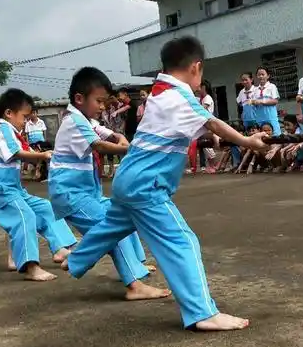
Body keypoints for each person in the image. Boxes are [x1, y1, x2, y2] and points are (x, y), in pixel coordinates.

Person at [63, 36, 268, 331]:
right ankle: (202, 312)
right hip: (147, 186)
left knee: (114, 226)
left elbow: (189, 128)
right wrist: (247, 140)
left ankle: (76, 260)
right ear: (196, 67)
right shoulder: (180, 97)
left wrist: (218, 135)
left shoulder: (159, 94)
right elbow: (211, 122)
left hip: (127, 180)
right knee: (182, 241)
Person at [48, 66, 169, 300]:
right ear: (79, 99)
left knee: (124, 212)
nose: (102, 107)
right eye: (99, 101)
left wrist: (122, 140)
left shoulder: (85, 119)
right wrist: (131, 150)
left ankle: (135, 266)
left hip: (86, 192)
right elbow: (100, 145)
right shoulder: (74, 120)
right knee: (109, 227)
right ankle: (132, 283)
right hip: (70, 194)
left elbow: (111, 135)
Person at [0, 89, 77, 281]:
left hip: (14, 189)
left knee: (45, 208)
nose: (25, 122)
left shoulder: (12, 133)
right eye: (24, 117)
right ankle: (30, 266)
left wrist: (42, 157)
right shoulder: (3, 129)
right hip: (1, 190)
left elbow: (26, 154)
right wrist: (42, 155)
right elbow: (17, 153)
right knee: (24, 217)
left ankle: (60, 248)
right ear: (9, 113)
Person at [250, 66, 281, 135]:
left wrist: (261, 102)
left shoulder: (272, 86)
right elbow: (251, 102)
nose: (261, 76)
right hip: (260, 119)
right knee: (262, 137)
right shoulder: (255, 90)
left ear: (268, 76)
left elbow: (275, 101)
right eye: (259, 75)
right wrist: (253, 102)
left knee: (276, 136)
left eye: (263, 74)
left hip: (271, 117)